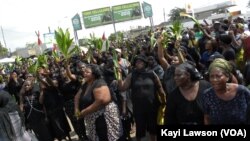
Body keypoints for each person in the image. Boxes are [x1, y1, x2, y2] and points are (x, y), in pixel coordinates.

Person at [118, 55, 166, 141]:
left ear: (145, 63)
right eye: (136, 62)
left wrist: (163, 101)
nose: (138, 63)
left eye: (140, 61)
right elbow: (122, 88)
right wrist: (119, 75)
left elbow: (159, 87)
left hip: (152, 106)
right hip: (138, 107)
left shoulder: (152, 73)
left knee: (153, 128)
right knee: (139, 128)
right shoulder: (132, 75)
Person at [75, 64, 123, 141]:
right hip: (92, 118)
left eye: (87, 72)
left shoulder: (99, 83)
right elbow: (77, 97)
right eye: (84, 72)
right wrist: (76, 109)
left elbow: (101, 101)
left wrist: (84, 112)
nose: (84, 73)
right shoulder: (86, 84)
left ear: (94, 74)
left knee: (106, 137)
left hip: (104, 117)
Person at [202, 58, 250, 124]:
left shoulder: (242, 92)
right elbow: (207, 118)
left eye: (218, 76)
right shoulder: (208, 95)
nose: (214, 79)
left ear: (227, 77)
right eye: (211, 76)